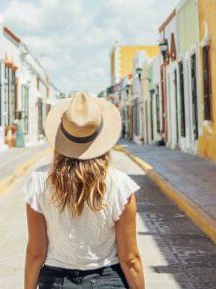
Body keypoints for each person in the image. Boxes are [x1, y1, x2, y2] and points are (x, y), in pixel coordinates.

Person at [23, 91, 145, 289]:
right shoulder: (120, 184)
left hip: (56, 282)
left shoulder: (38, 181)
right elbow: (130, 259)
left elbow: (36, 253)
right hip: (108, 280)